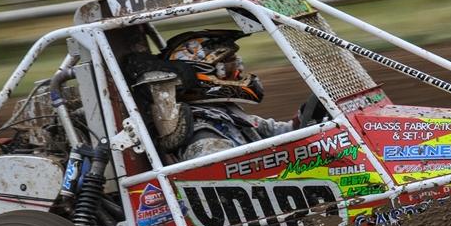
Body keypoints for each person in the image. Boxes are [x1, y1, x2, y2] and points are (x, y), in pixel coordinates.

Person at [123, 29, 325, 162]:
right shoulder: (205, 137)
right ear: (205, 75)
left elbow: (279, 133)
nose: (238, 73)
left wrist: (308, 113)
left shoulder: (222, 114)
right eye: (228, 68)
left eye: (236, 65)